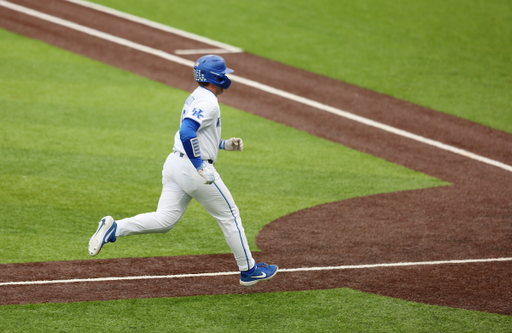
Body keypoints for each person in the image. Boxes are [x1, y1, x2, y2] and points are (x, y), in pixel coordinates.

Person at [88, 55, 278, 287]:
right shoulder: (209, 102)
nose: (227, 77)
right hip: (192, 168)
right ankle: (248, 270)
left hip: (174, 164)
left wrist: (224, 144)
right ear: (216, 77)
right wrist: (200, 166)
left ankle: (116, 227)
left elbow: (197, 134)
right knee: (229, 216)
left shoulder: (196, 96)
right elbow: (188, 132)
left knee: (165, 219)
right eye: (224, 74)